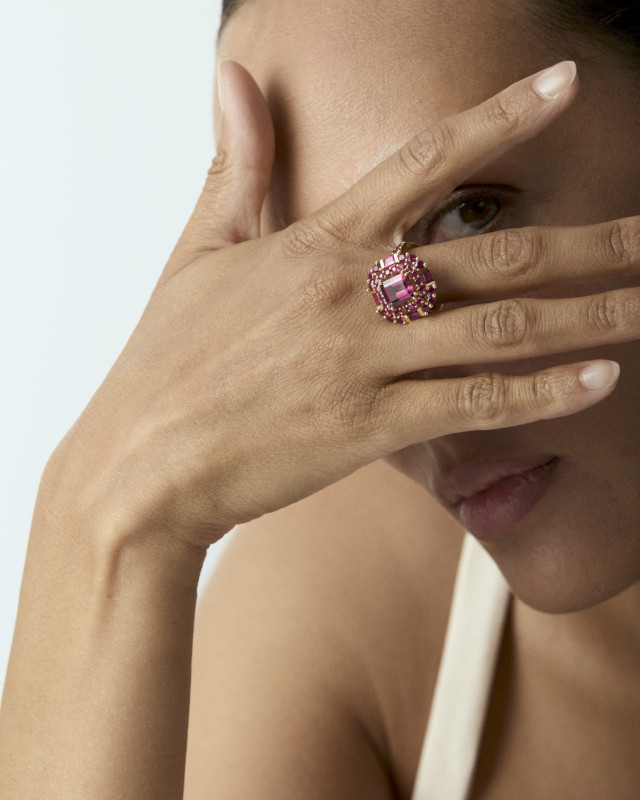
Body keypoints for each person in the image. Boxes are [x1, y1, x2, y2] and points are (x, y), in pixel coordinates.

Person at [1, 0, 640, 797]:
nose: (399, 389)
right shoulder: (345, 598)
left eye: (470, 214)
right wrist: (110, 517)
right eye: (318, 304)